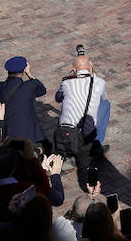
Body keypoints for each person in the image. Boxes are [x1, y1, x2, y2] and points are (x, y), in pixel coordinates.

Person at [55, 51, 107, 193]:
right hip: (86, 134)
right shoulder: (100, 83)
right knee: (105, 105)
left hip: (66, 133)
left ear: (74, 69)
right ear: (90, 67)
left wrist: (70, 76)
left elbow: (58, 98)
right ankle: (92, 185)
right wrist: (93, 72)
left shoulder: (66, 82)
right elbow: (102, 99)